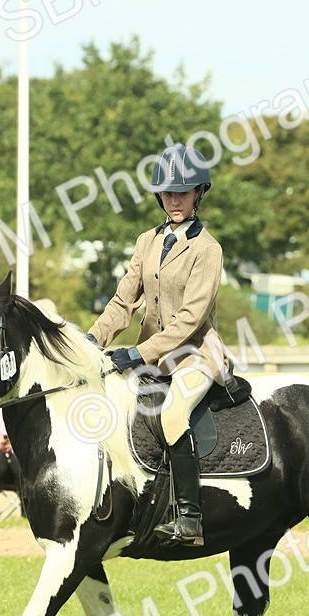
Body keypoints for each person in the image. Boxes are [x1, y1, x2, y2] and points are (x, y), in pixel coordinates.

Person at [86, 143, 230, 547]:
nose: (174, 201)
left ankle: (190, 518)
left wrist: (137, 353)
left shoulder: (207, 249)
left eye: (182, 193)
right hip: (152, 356)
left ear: (199, 193)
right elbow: (122, 301)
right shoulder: (146, 241)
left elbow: (191, 318)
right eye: (168, 193)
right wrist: (93, 338)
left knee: (172, 414)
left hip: (195, 356)